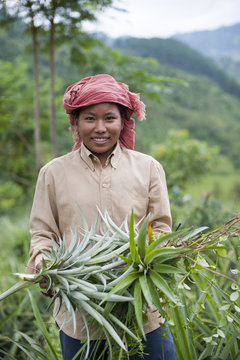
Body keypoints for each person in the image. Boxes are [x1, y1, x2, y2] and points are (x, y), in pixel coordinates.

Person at [27, 74, 177, 360]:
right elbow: (43, 234)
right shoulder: (53, 173)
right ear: (75, 123)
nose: (100, 128)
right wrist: (44, 263)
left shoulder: (148, 168)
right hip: (80, 318)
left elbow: (160, 228)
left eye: (109, 118)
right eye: (89, 118)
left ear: (123, 121)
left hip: (143, 313)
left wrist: (153, 256)